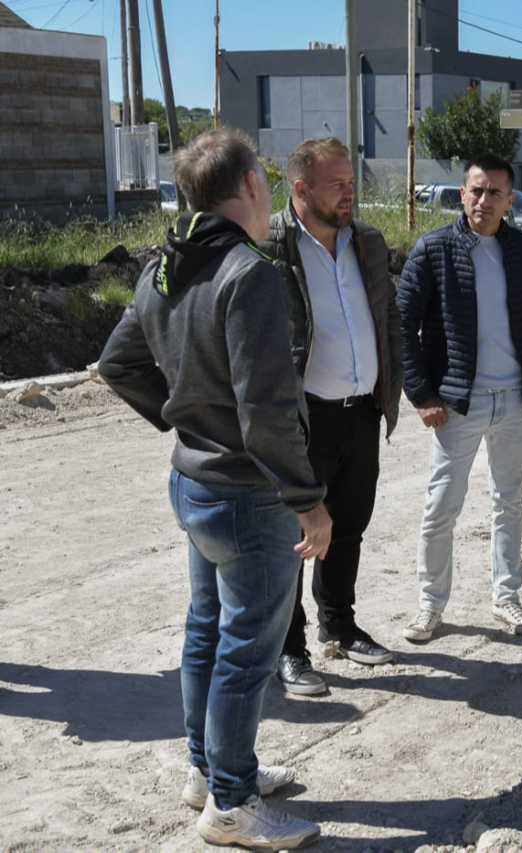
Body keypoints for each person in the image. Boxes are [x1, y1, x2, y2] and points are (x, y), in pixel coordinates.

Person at [98, 127, 329, 851]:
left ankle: (210, 771)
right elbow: (267, 411)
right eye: (264, 177)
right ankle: (231, 803)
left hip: (195, 482)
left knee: (207, 631)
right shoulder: (247, 272)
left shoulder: (165, 267)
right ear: (252, 185)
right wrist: (309, 500)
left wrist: (186, 418)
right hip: (247, 496)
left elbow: (117, 363)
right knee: (245, 651)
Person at [397, 152, 522, 642]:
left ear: (510, 200)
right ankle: (430, 606)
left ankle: (507, 599)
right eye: (476, 190)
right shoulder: (434, 249)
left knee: (509, 504)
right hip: (457, 406)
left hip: (516, 402)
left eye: (495, 192)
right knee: (441, 507)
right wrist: (422, 394)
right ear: (462, 194)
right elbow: (402, 324)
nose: (484, 200)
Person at [260, 137, 404, 696]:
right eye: (337, 184)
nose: (350, 193)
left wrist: (389, 388)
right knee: (294, 539)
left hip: (360, 412)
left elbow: (388, 317)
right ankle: (288, 648)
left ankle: (339, 626)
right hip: (303, 419)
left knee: (348, 527)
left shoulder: (366, 241)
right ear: (300, 189)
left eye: (351, 182)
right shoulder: (268, 245)